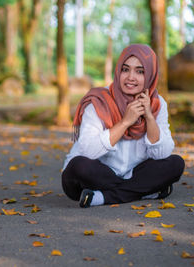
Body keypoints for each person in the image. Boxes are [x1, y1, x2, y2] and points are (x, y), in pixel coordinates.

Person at [61, 44, 185, 208]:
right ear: (118, 71)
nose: (131, 77)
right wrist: (125, 122)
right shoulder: (99, 101)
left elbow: (162, 153)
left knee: (175, 163)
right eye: (125, 69)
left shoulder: (157, 104)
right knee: (78, 167)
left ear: (150, 75)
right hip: (96, 175)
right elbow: (88, 151)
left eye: (140, 71)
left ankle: (102, 198)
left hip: (133, 173)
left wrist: (148, 117)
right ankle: (144, 191)